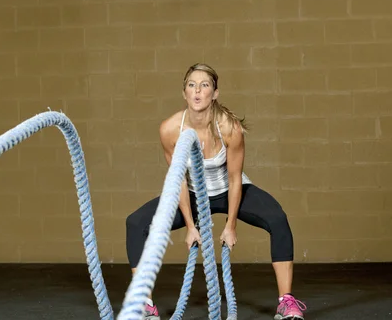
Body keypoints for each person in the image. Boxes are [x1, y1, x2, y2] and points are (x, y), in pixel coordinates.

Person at [125, 63, 307, 320]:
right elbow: (177, 181)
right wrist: (190, 225)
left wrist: (231, 224)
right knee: (135, 223)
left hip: (227, 190)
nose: (197, 91)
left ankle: (286, 302)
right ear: (184, 93)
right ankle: (144, 306)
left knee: (278, 219)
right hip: (190, 193)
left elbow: (234, 179)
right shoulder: (170, 130)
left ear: (215, 93)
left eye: (205, 85)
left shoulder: (230, 128)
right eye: (192, 85)